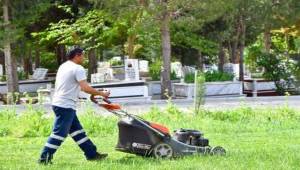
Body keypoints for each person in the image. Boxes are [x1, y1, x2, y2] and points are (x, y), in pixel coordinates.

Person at [38, 47, 110, 164]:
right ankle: (44, 159)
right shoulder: (78, 68)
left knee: (77, 132)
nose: (84, 58)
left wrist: (89, 95)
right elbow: (85, 88)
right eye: (83, 55)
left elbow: (71, 86)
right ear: (77, 55)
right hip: (65, 105)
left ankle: (92, 154)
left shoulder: (64, 66)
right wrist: (101, 93)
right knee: (59, 134)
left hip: (60, 103)